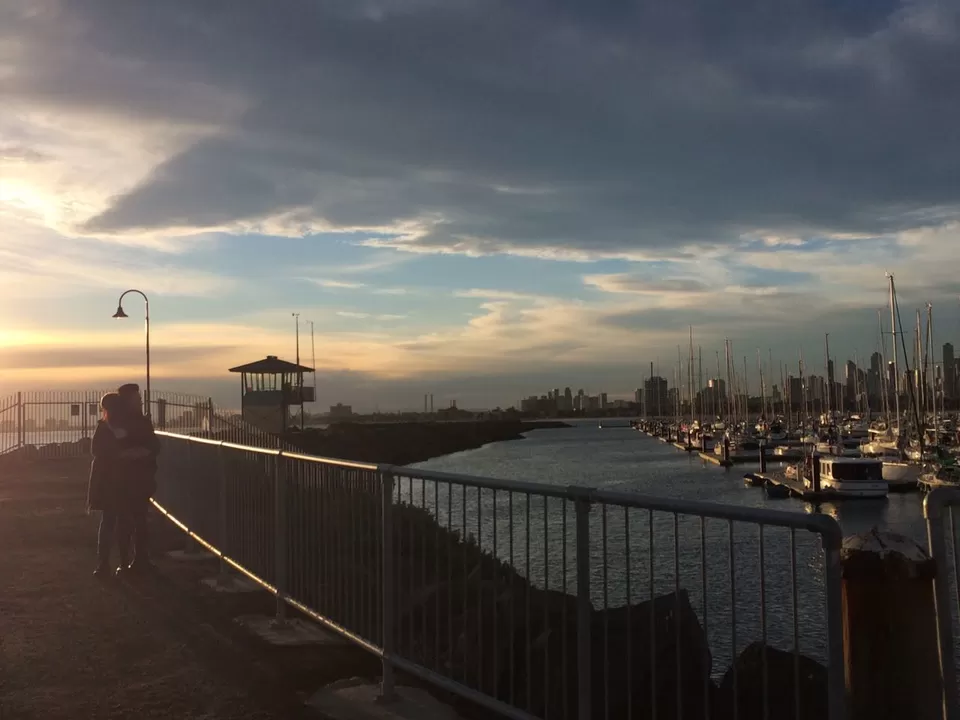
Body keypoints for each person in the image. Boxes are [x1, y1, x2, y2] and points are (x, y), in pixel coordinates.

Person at [115, 383, 160, 575]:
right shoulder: (117, 423)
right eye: (137, 398)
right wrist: (132, 453)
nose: (140, 401)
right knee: (125, 521)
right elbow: (112, 450)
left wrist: (144, 451)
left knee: (140, 521)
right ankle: (124, 562)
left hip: (141, 480)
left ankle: (141, 558)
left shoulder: (143, 422)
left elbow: (155, 445)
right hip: (124, 480)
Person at [88, 392, 126, 577]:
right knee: (113, 521)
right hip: (113, 481)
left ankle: (107, 564)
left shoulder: (104, 428)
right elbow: (97, 450)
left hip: (111, 481)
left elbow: (96, 450)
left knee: (111, 521)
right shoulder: (107, 428)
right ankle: (106, 563)